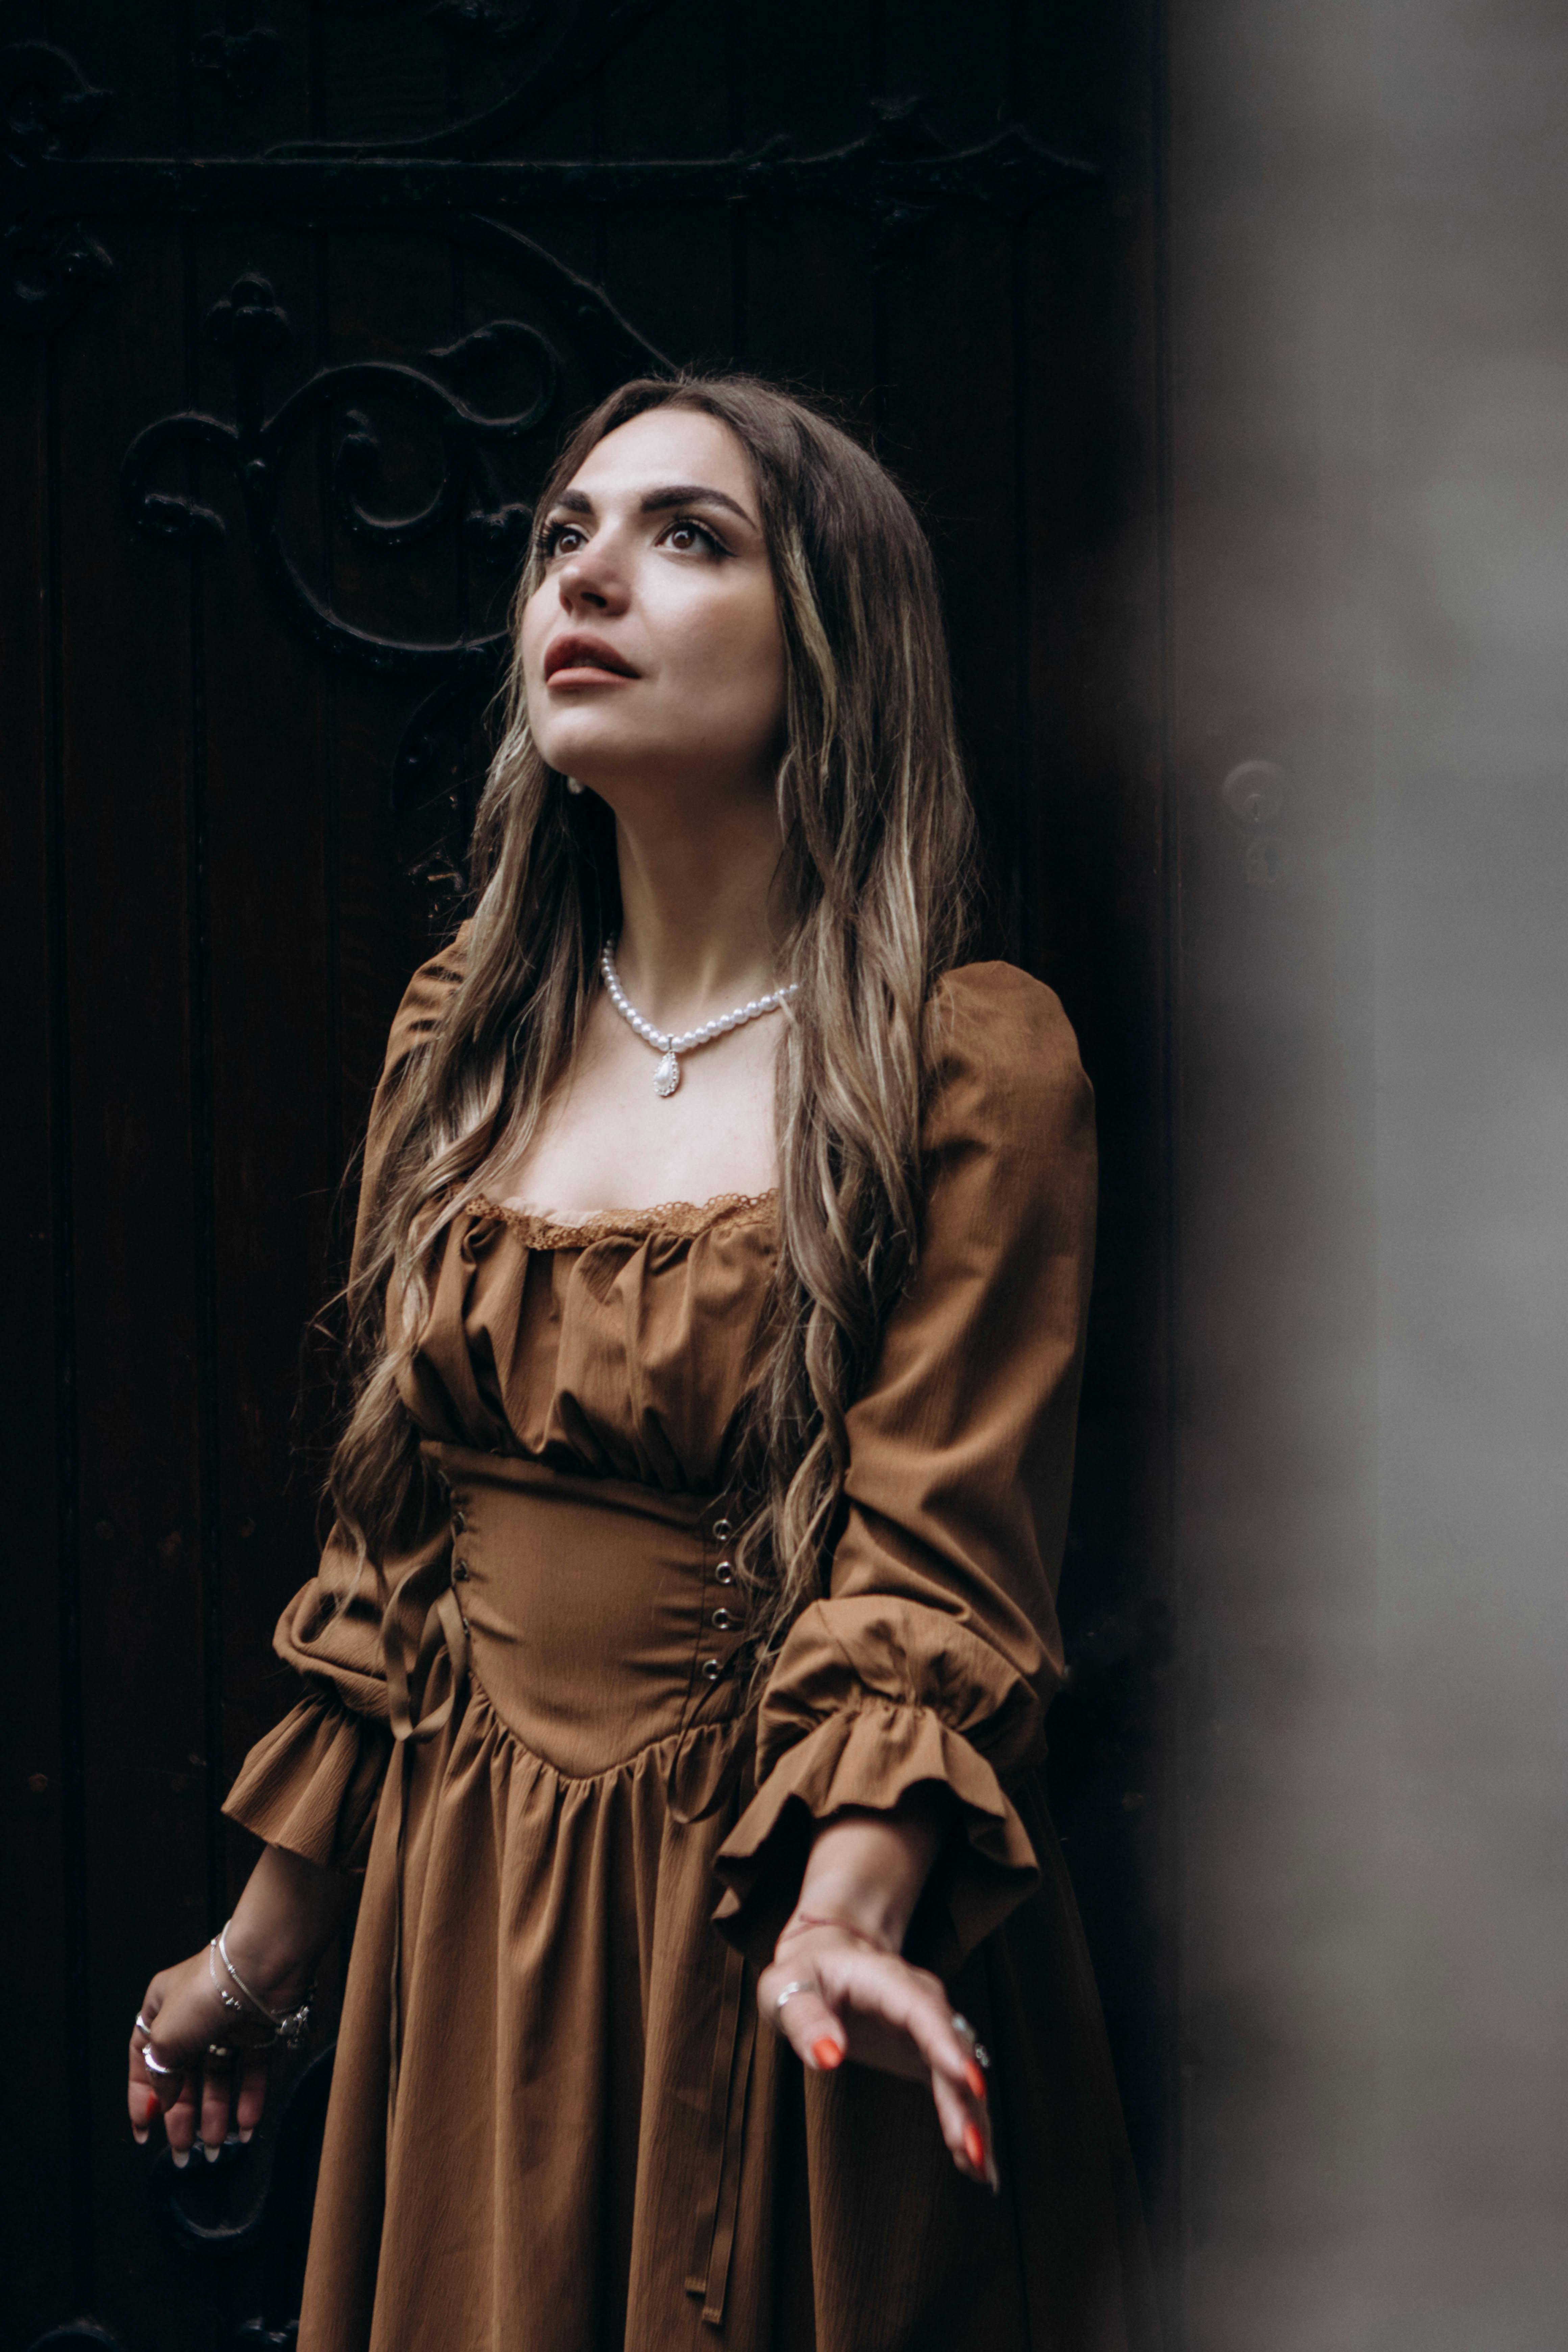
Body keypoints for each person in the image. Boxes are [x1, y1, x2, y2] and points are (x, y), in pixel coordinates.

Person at [127, 373, 1158, 2351]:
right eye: (564, 536)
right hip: (475, 1928)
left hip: (780, 1930)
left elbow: (938, 1573)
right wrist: (253, 1965)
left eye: (689, 536)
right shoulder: (466, 1041)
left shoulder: (966, 1066)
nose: (590, 571)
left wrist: (850, 1920)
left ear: (835, 648)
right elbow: (394, 1570)